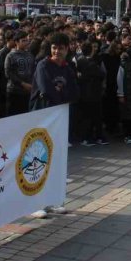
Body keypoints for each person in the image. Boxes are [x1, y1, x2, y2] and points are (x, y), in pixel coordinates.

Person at [29, 32, 80, 219]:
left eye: (61, 48)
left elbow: (75, 92)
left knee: (55, 160)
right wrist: (60, 93)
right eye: (54, 47)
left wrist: (61, 93)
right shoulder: (43, 65)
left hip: (59, 119)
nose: (57, 51)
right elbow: (46, 90)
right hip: (41, 117)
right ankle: (35, 203)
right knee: (38, 160)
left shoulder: (68, 68)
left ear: (67, 49)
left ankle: (52, 201)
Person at [5, 32, 35, 116]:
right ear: (17, 42)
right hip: (14, 91)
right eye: (23, 41)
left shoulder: (30, 55)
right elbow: (8, 73)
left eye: (27, 40)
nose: (26, 43)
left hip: (27, 92)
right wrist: (22, 84)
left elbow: (33, 71)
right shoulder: (10, 55)